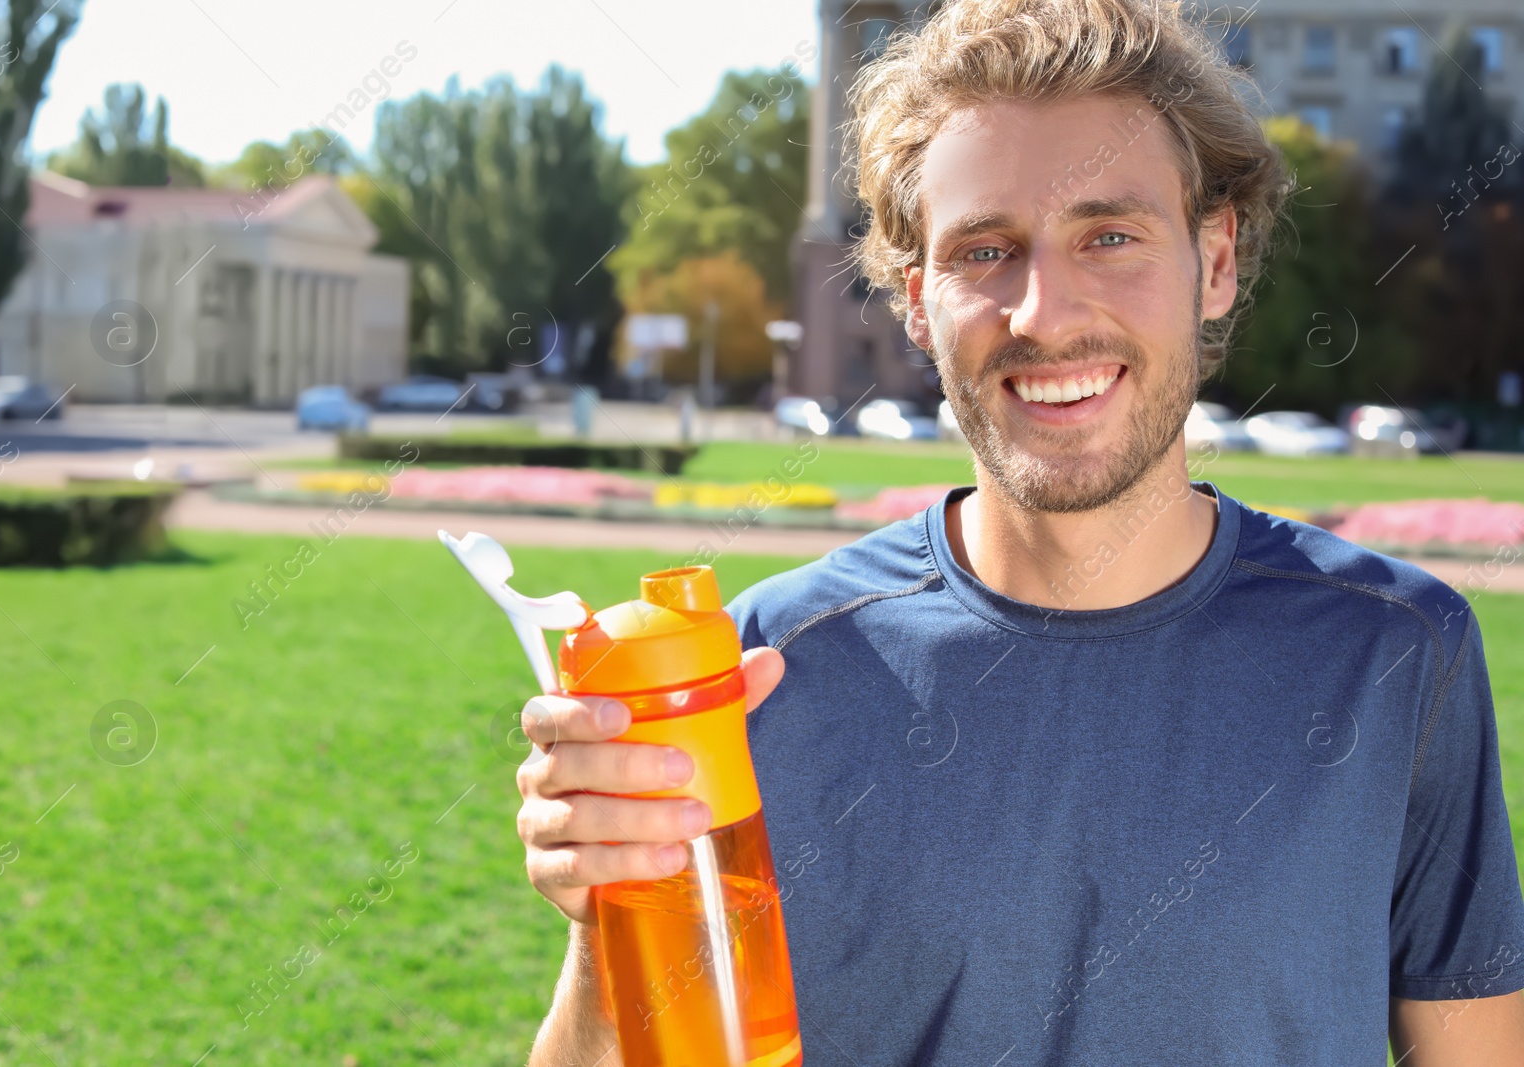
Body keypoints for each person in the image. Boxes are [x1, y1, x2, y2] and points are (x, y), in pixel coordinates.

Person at [512, 1, 1524, 1062]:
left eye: (1110, 234)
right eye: (985, 249)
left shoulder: (1397, 650)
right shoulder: (762, 668)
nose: (1043, 310)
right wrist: (608, 917)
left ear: (1214, 259)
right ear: (916, 299)